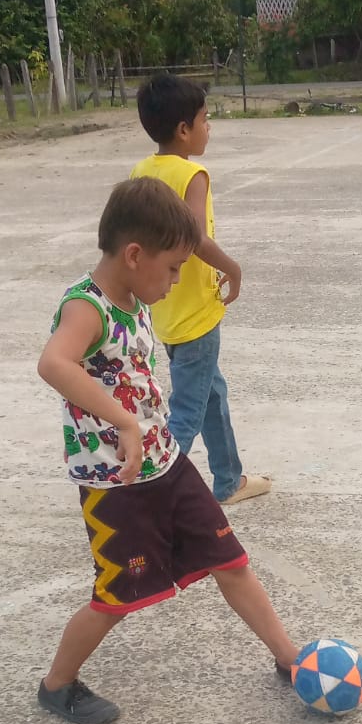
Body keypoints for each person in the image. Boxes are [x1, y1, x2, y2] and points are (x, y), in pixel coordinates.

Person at [36, 177, 300, 724]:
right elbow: (53, 364)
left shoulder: (133, 297)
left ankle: (289, 657)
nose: (177, 280)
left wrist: (144, 427)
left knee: (230, 560)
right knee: (117, 597)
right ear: (135, 255)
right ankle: (57, 685)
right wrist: (123, 421)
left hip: (166, 462)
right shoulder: (86, 307)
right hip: (116, 484)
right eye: (174, 268)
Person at [130, 73, 271, 507]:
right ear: (183, 129)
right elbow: (193, 237)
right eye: (205, 120)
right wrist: (233, 268)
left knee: (212, 395)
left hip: (166, 311)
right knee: (188, 412)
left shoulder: (142, 171)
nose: (209, 128)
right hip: (197, 314)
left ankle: (228, 480)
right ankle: (151, 494)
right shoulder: (193, 174)